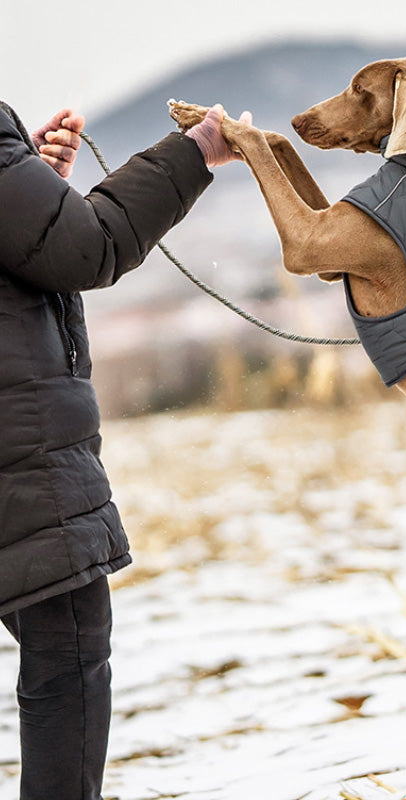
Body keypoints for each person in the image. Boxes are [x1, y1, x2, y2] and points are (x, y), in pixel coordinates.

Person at [0, 98, 248, 799]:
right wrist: (194, 150)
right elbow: (87, 245)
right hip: (18, 460)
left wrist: (32, 180)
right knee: (68, 654)